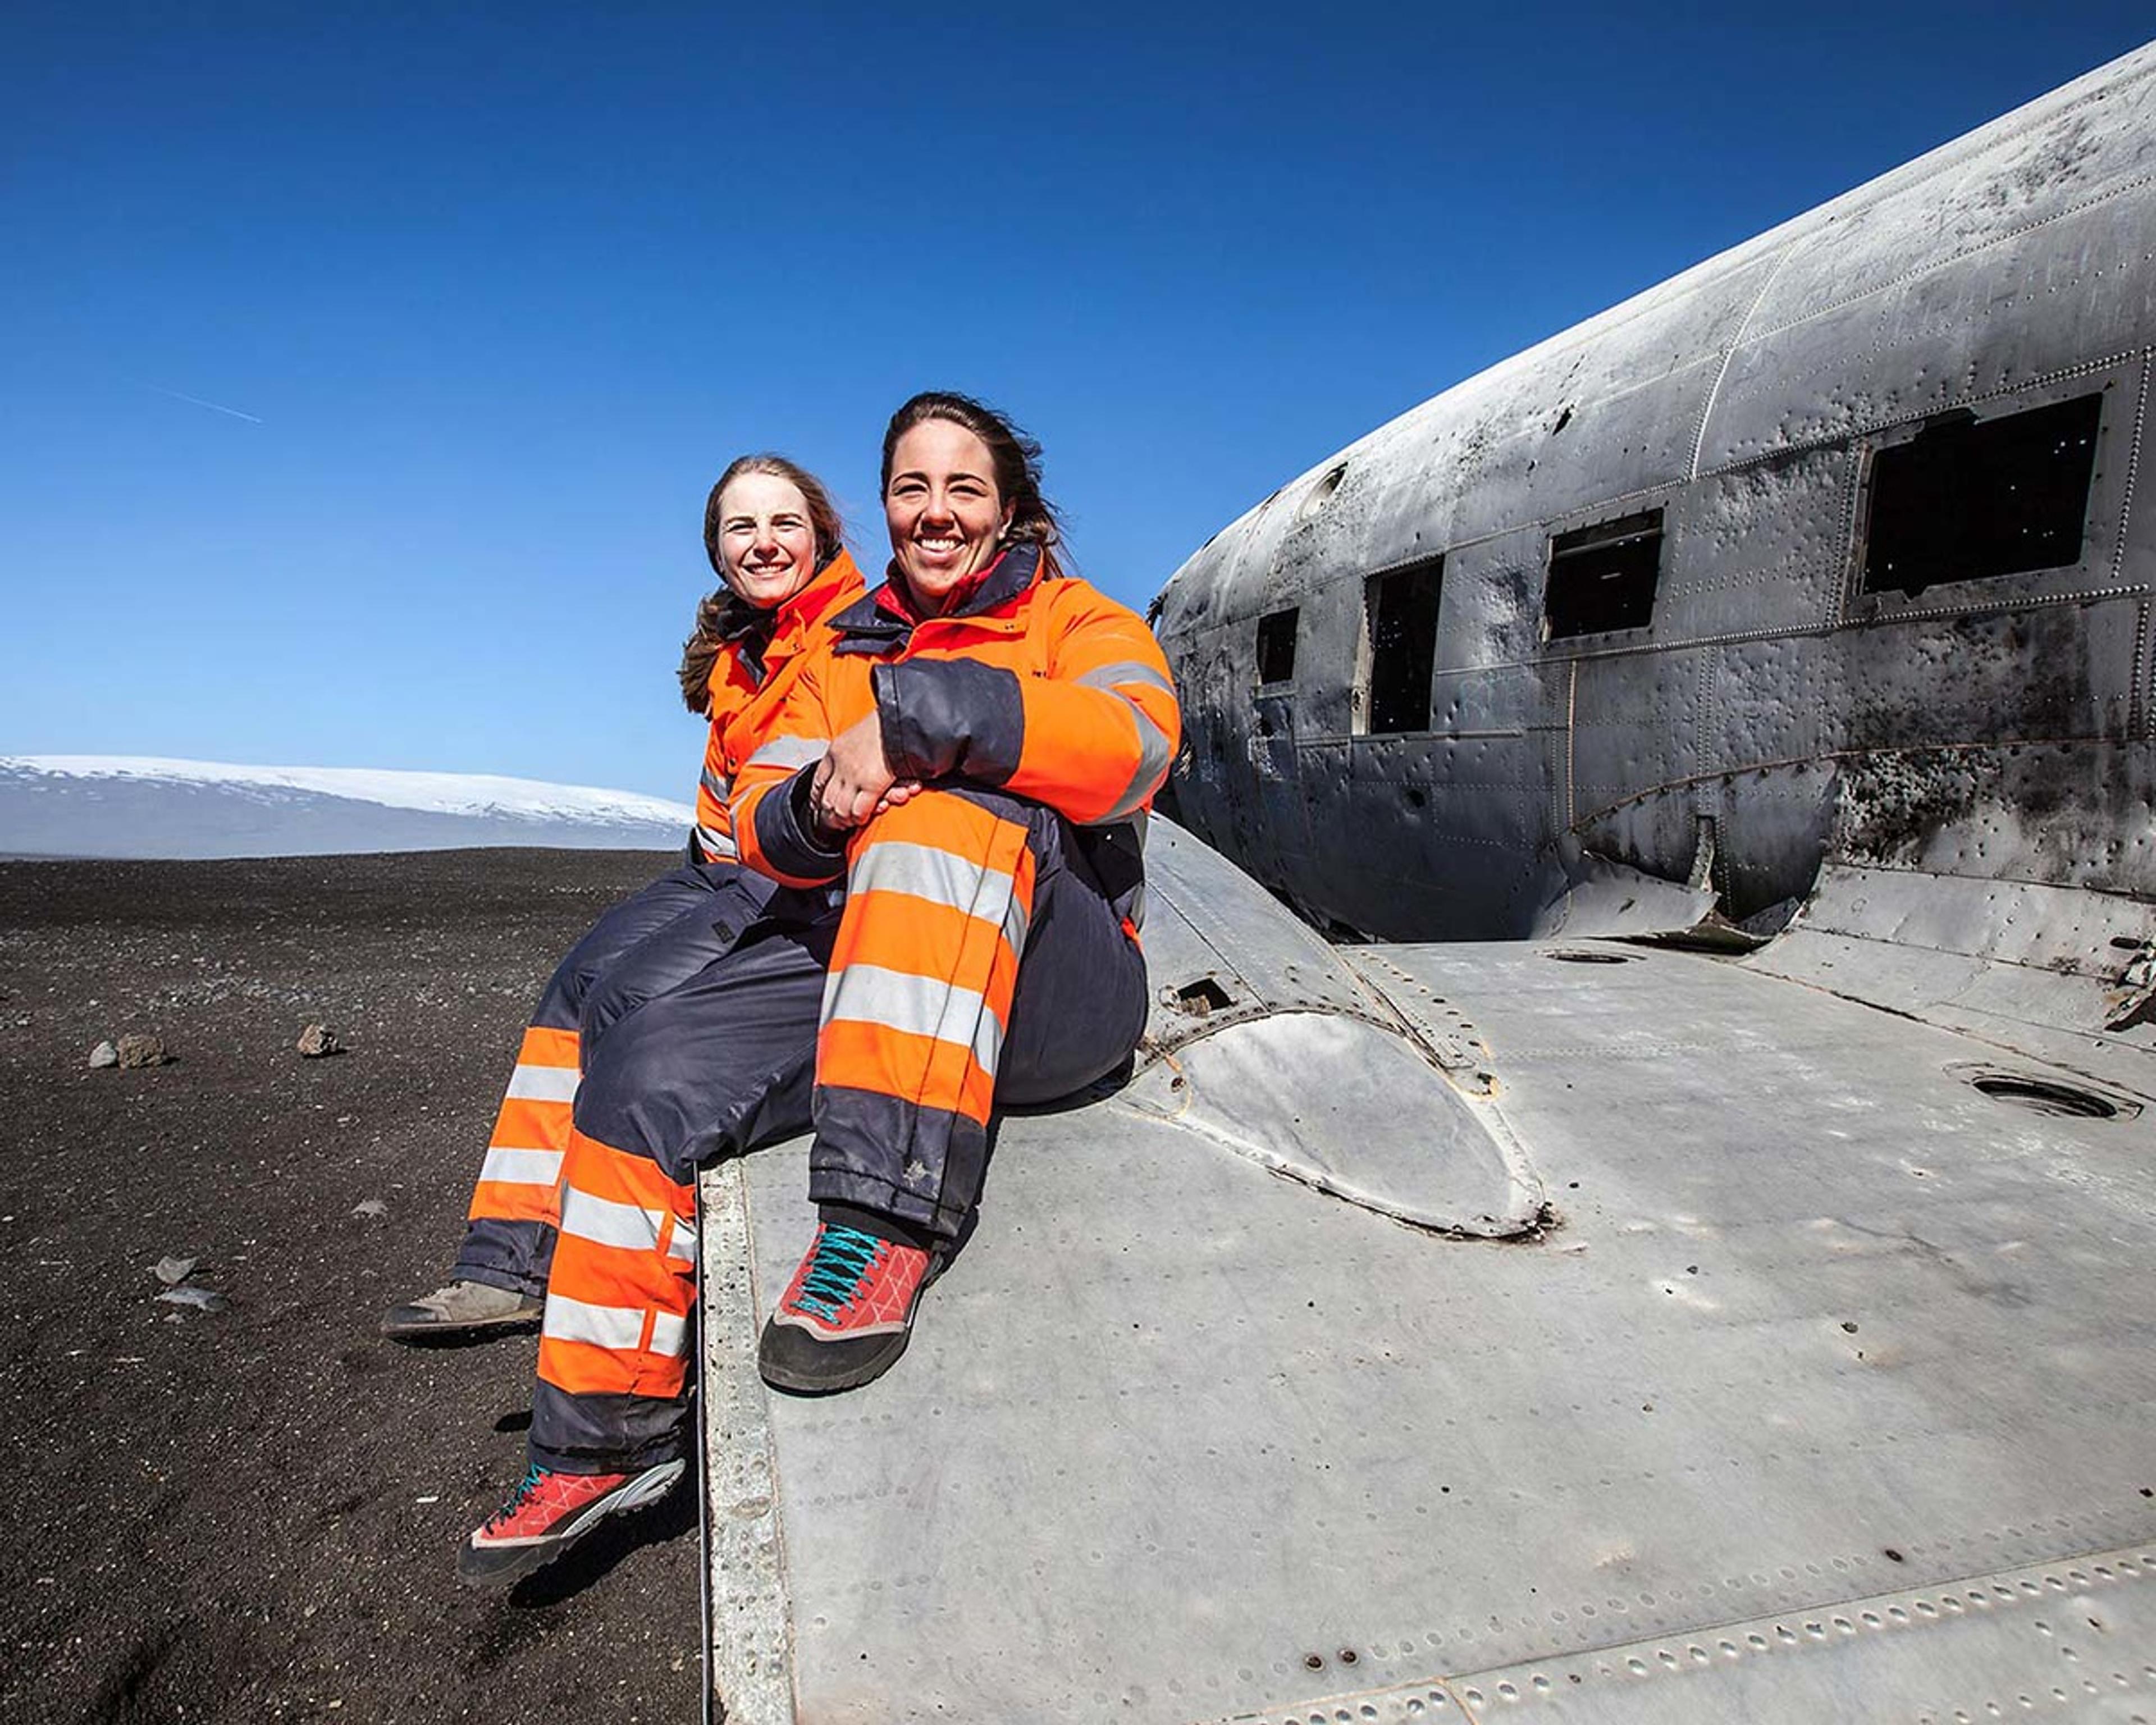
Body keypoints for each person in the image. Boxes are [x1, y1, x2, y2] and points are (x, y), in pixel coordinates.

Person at [459, 391, 1179, 1586]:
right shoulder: (847, 643)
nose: (936, 512)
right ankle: (604, 1433)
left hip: (1054, 993)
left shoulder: (1077, 618)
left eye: (964, 488)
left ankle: (882, 1222)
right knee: (642, 1069)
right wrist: (810, 806)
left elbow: (1135, 743)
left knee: (949, 809)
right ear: (887, 504)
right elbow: (758, 809)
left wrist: (925, 727)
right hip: (878, 960)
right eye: (913, 487)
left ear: (1009, 512)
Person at [380, 455, 865, 1341]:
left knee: (626, 1005)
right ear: (718, 552)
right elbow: (723, 796)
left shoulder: (854, 632)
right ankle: (503, 1262)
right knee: (572, 988)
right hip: (721, 868)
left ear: (823, 535)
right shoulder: (742, 654)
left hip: (799, 880)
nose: (764, 544)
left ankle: (619, 1272)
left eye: (784, 523)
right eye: (741, 528)